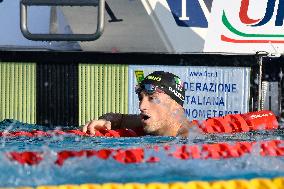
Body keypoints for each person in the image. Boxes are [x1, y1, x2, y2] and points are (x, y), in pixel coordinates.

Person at [82, 71, 193, 137]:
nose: (141, 106)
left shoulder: (191, 140)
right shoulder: (143, 123)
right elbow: (119, 118)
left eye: (152, 98)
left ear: (175, 107)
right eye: (141, 98)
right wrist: (105, 121)